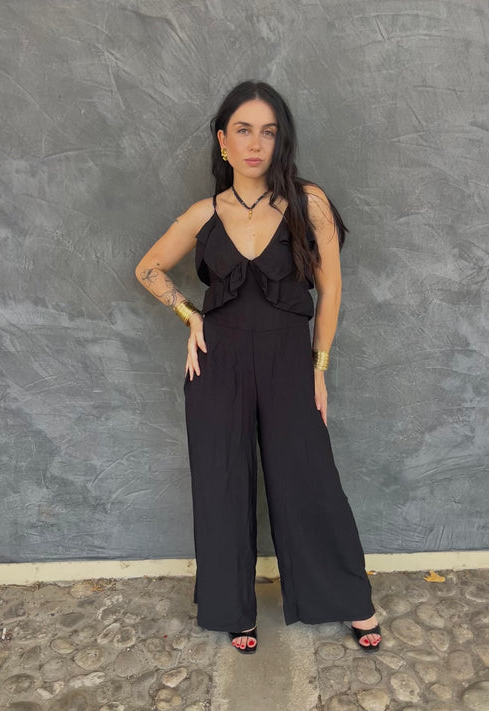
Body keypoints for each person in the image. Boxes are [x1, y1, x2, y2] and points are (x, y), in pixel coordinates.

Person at [135, 80, 382, 655]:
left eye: (267, 132)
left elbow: (331, 290)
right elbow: (148, 269)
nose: (255, 143)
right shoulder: (204, 214)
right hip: (216, 363)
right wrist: (190, 316)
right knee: (221, 482)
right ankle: (232, 609)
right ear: (223, 140)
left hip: (287, 361)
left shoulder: (308, 203)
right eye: (243, 130)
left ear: (280, 141)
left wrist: (318, 368)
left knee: (308, 478)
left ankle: (349, 599)